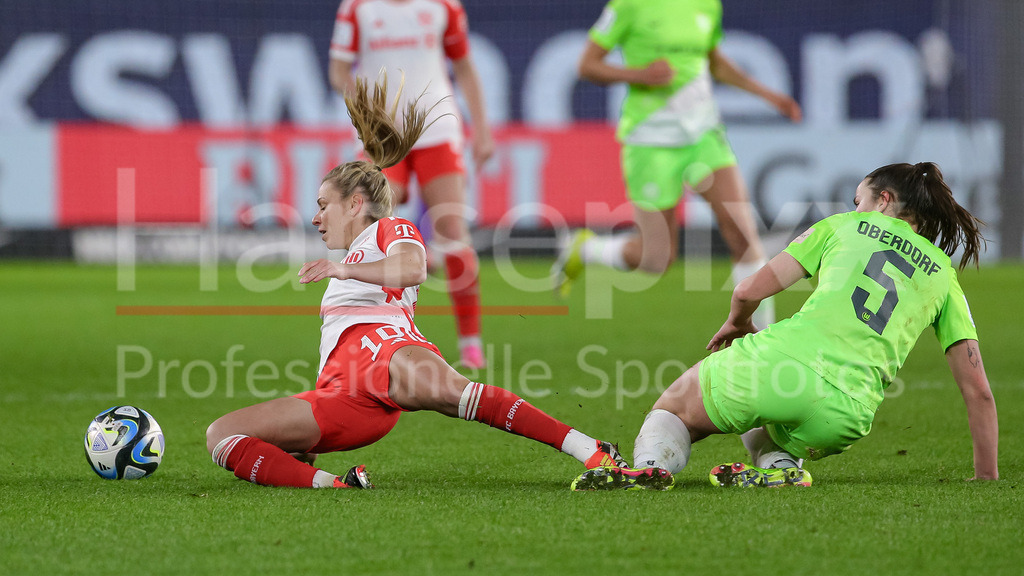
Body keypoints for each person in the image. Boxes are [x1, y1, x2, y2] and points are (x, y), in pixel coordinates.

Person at [205, 76, 624, 489]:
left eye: (322, 205)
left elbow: (412, 269)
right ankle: (336, 484)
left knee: (459, 395)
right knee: (221, 435)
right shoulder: (353, 255)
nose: (315, 217)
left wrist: (345, 270)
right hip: (340, 393)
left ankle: (592, 450)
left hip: (385, 351)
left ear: (354, 204)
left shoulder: (390, 228)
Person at [571, 162, 999, 491]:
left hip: (786, 367)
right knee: (779, 423)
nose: (857, 209)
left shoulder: (843, 226)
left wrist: (738, 323)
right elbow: (977, 391)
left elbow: (747, 290)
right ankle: (781, 468)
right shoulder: (944, 276)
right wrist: (986, 477)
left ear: (883, 200)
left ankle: (648, 470)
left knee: (674, 408)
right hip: (847, 416)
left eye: (860, 200)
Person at [555, 0, 802, 330]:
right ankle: (586, 249)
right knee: (654, 259)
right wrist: (638, 74)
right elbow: (587, 66)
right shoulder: (629, 6)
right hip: (650, 141)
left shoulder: (707, 5)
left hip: (703, 137)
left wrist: (769, 95)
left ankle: (764, 343)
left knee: (743, 235)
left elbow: (714, 63)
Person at [328, 0, 493, 368]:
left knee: (452, 226)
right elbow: (339, 71)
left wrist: (481, 128)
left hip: (438, 127)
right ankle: (365, 335)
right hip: (383, 133)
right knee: (368, 228)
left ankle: (470, 343)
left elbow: (464, 67)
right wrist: (370, 112)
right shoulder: (357, 8)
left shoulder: (443, 6)